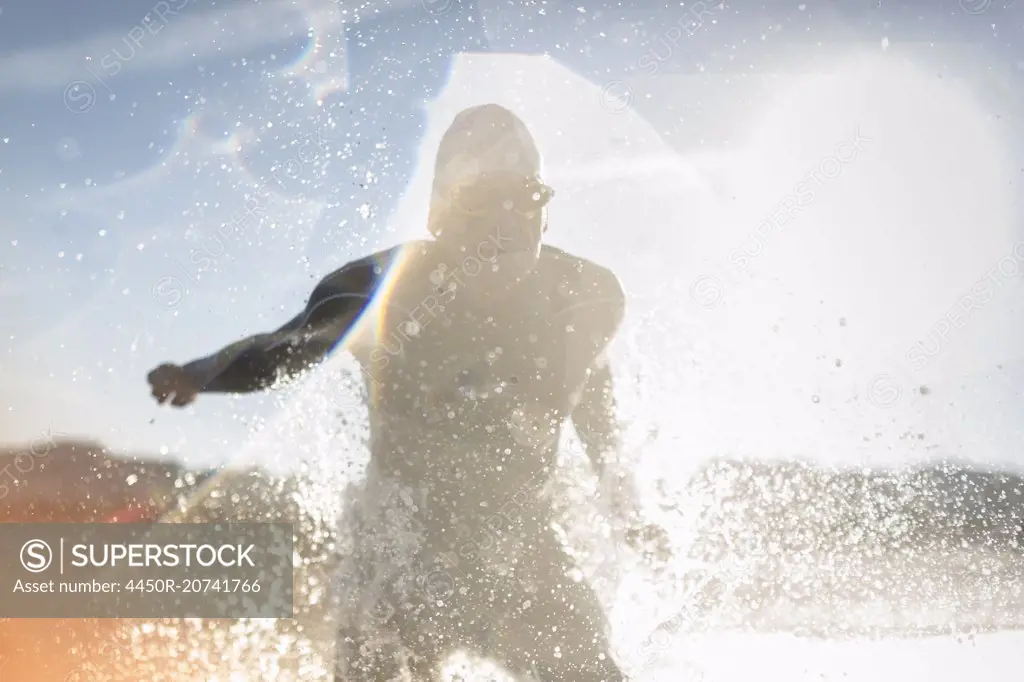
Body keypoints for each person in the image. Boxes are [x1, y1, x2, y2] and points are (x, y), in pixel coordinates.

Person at [148, 104, 662, 681]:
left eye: (522, 197)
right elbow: (288, 347)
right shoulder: (383, 288)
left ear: (545, 214)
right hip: (401, 548)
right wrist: (200, 373)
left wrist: (629, 510)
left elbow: (590, 401)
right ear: (441, 214)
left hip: (520, 545)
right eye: (480, 200)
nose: (503, 219)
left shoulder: (582, 298)